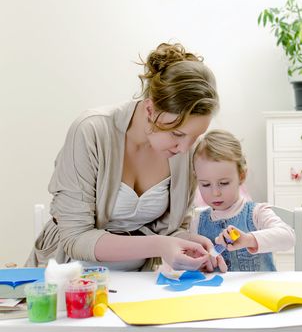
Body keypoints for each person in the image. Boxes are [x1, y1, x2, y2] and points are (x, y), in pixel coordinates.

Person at [25, 42, 227, 272]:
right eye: (177, 134)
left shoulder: (186, 148)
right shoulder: (91, 131)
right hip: (69, 275)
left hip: (138, 280)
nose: (185, 148)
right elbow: (76, 238)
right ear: (150, 110)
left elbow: (170, 229)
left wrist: (188, 242)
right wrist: (160, 245)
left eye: (195, 136)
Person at [190, 129, 295, 271]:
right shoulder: (198, 222)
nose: (215, 192)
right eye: (205, 184)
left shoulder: (257, 213)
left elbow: (288, 237)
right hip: (217, 292)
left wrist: (249, 240)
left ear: (241, 176)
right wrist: (199, 263)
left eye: (224, 183)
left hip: (257, 292)